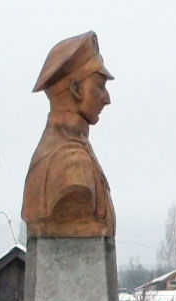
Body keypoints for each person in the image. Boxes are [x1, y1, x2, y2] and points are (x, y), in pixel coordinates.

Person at [22, 31, 116, 239]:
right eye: (100, 86)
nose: (107, 99)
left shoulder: (71, 149)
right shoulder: (70, 162)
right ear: (76, 89)